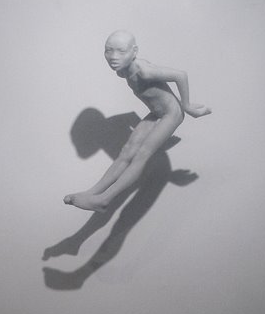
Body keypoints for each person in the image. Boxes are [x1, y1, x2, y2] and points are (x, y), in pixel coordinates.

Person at [63, 31, 211, 211]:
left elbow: (181, 75)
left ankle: (105, 199)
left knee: (141, 154)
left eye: (121, 51)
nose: (113, 57)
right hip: (156, 114)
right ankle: (92, 193)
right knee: (126, 151)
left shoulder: (144, 71)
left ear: (134, 51)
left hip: (171, 114)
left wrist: (186, 106)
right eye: (108, 50)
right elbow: (131, 115)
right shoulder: (122, 71)